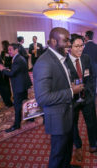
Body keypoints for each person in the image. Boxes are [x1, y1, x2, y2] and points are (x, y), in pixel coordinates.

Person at [33, 27, 83, 168]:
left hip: (67, 113)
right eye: (66, 40)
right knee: (58, 155)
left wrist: (69, 84)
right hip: (57, 118)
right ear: (54, 41)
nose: (69, 44)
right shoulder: (44, 62)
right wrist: (70, 91)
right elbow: (42, 98)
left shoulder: (61, 58)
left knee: (67, 150)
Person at [65, 34, 97, 161]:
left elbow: (90, 77)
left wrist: (89, 92)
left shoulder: (86, 58)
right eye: (77, 46)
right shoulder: (64, 62)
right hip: (72, 100)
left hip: (87, 97)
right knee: (73, 125)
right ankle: (78, 146)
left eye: (82, 45)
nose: (80, 49)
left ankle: (94, 144)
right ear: (70, 47)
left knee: (92, 121)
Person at [0, 43, 32, 133]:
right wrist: (9, 70)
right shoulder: (19, 58)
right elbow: (16, 71)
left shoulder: (18, 59)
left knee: (17, 106)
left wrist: (2, 69)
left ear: (16, 50)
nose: (8, 52)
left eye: (10, 50)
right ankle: (30, 118)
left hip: (19, 86)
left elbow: (11, 74)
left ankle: (17, 125)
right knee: (25, 101)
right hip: (23, 83)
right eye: (8, 50)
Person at [82, 31, 97, 96]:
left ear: (86, 37)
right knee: (94, 83)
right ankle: (93, 95)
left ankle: (88, 95)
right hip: (94, 68)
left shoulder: (83, 46)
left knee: (87, 82)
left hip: (86, 68)